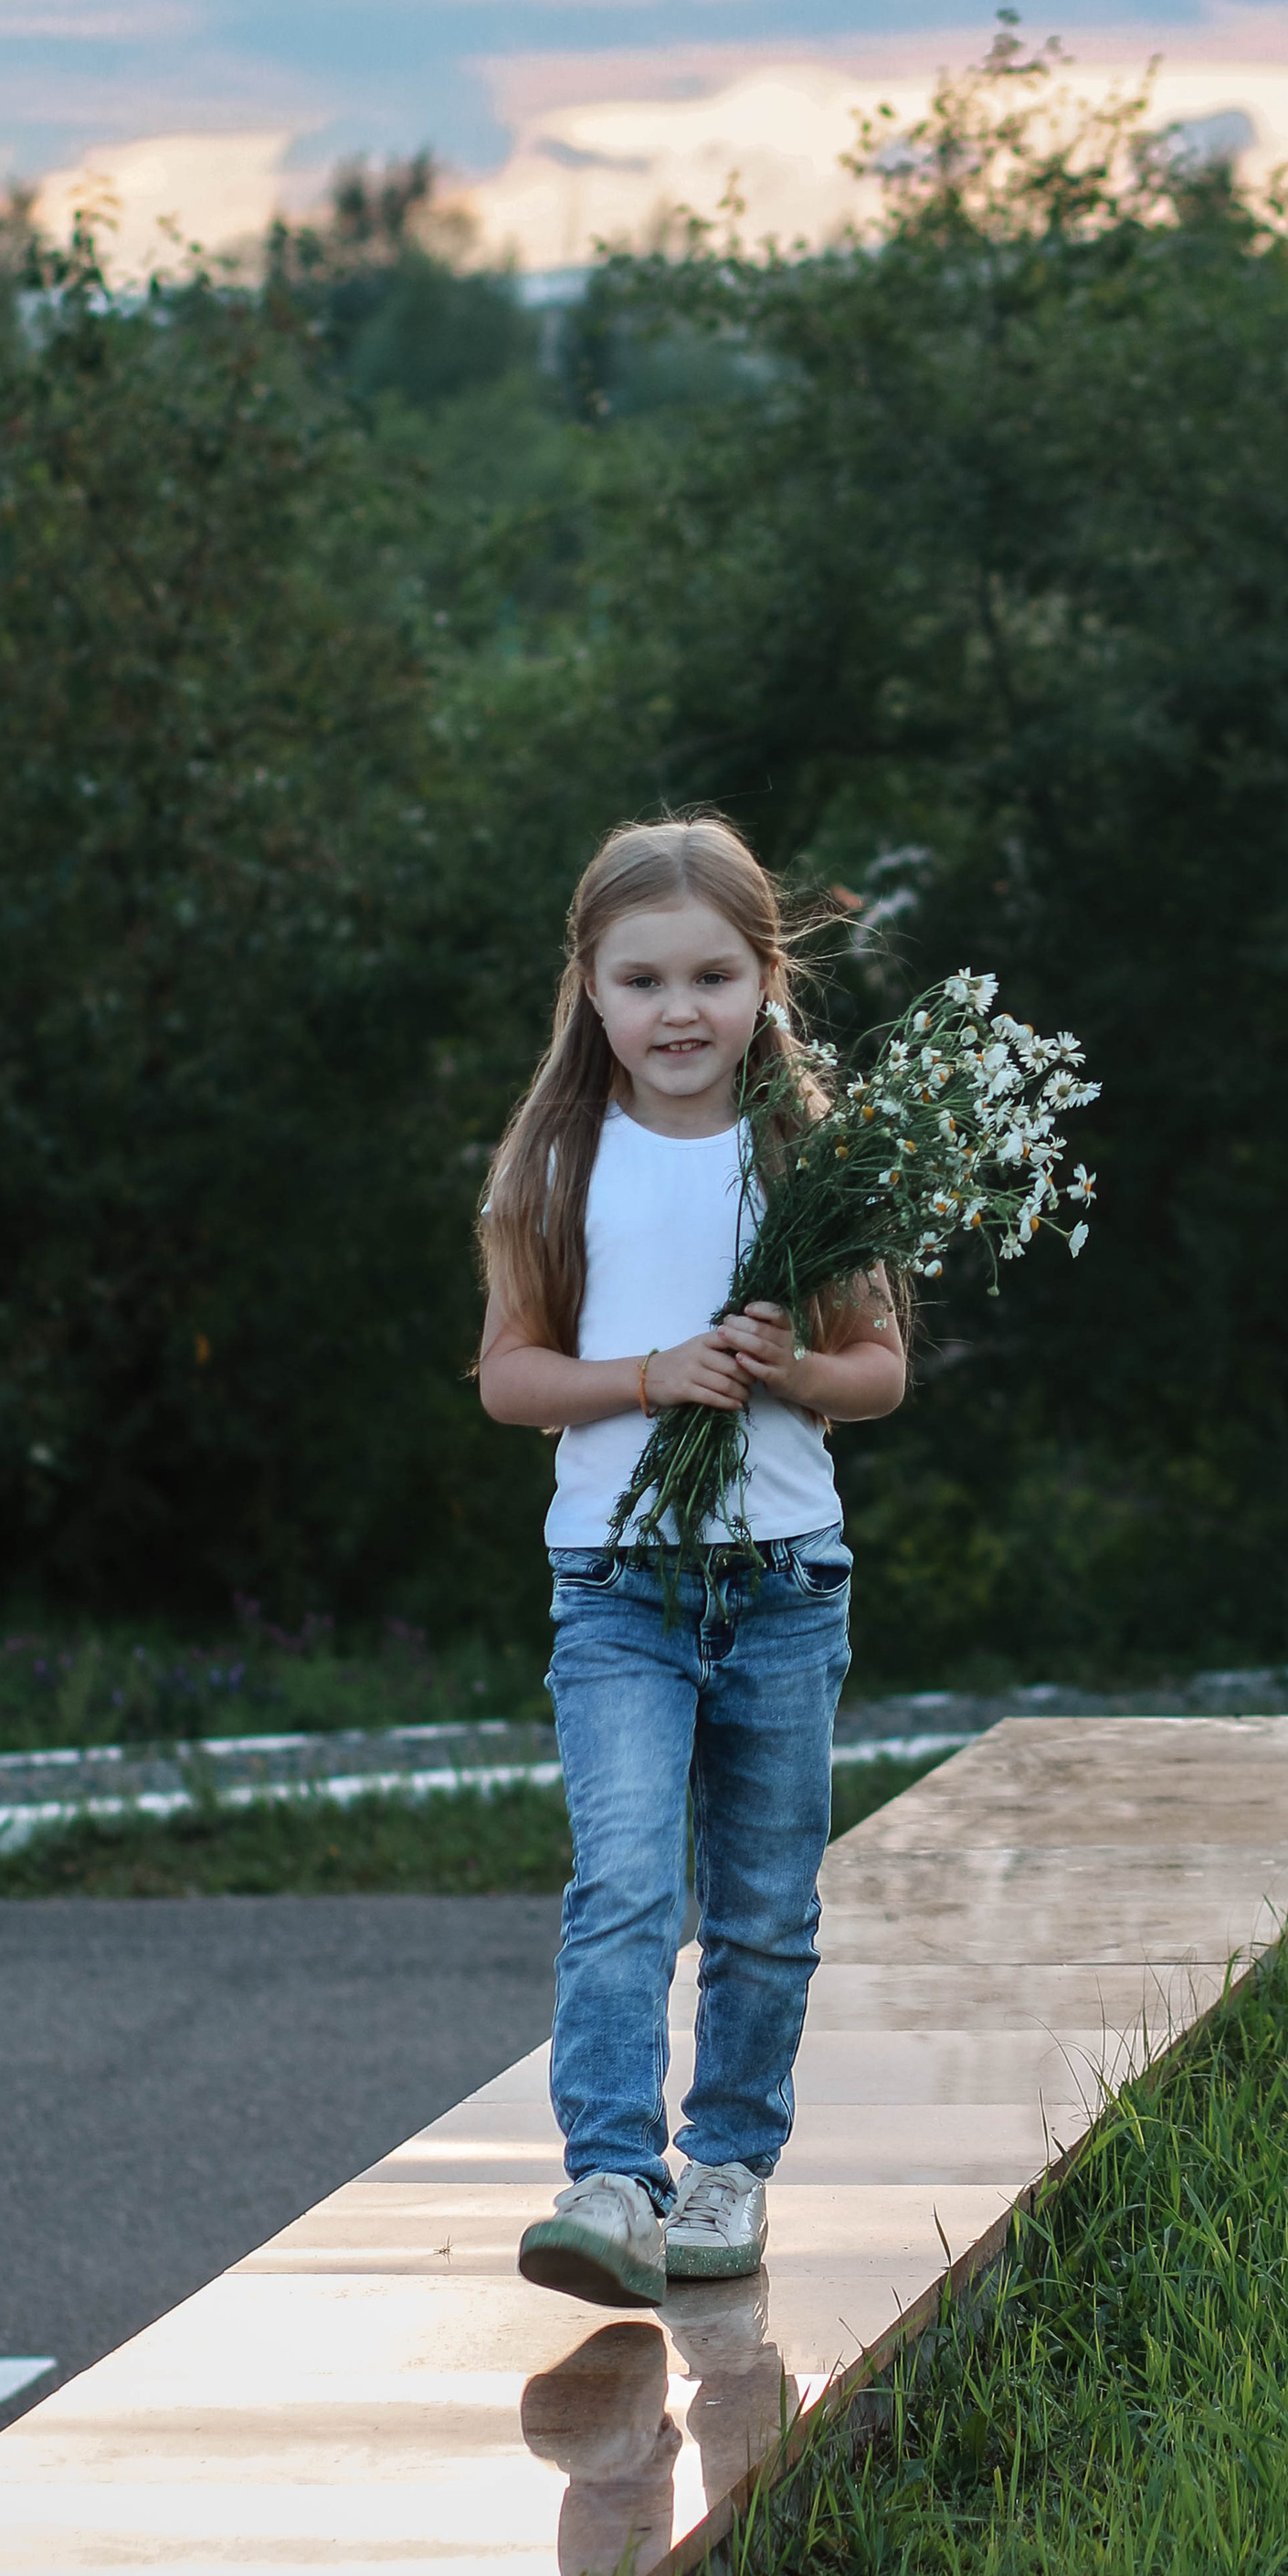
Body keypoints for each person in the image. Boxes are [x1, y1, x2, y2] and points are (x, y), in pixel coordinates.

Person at [477, 816, 906, 2307]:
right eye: (642, 979)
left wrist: (792, 1367)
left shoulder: (812, 1156)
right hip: (617, 1589)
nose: (679, 1011)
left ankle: (727, 2168)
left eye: (713, 976)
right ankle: (612, 2176)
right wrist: (653, 1376)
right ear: (589, 992)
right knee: (623, 1887)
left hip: (786, 1585)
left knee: (767, 1902)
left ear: (766, 982)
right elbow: (511, 1379)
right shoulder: (554, 1159)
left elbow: (880, 1373)